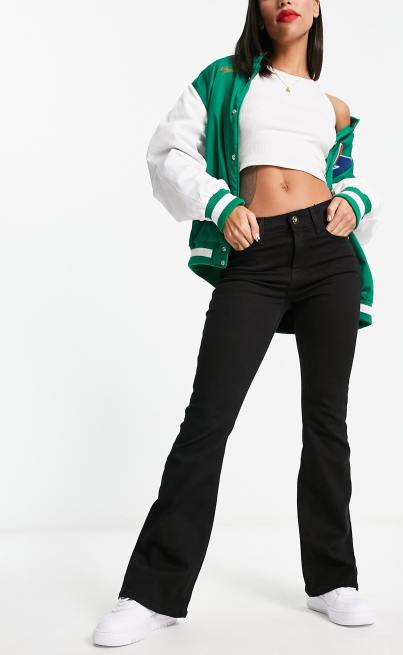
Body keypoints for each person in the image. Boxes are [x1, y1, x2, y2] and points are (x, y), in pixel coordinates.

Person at [93, 0, 381, 646]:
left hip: (329, 259)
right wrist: (219, 202)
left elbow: (347, 179)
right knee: (207, 419)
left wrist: (357, 200)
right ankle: (152, 593)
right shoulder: (224, 79)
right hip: (255, 253)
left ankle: (332, 580)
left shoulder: (333, 107)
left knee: (326, 421)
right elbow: (168, 152)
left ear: (316, 8)